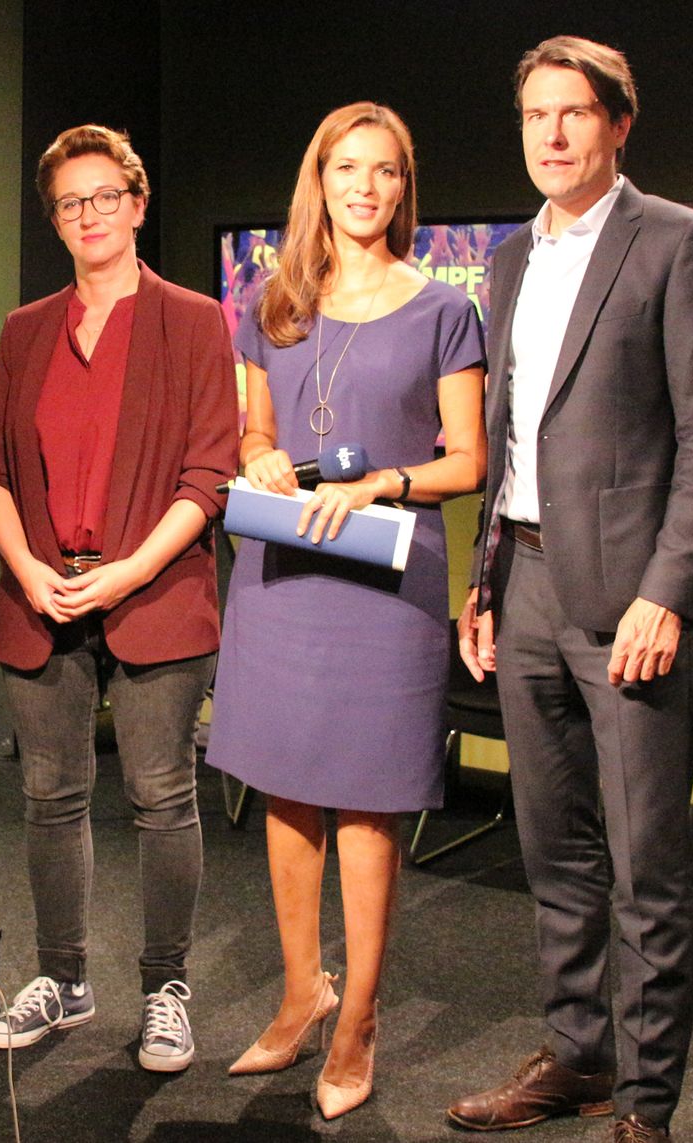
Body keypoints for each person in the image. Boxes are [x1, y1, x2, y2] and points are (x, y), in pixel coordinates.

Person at [445, 37, 693, 1142]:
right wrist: (481, 581)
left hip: (630, 603)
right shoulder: (509, 258)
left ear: (617, 125)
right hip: (520, 581)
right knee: (551, 846)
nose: (552, 134)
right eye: (535, 115)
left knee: (643, 861)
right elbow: (512, 435)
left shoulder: (678, 243)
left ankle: (646, 1100)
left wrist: (667, 592)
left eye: (573, 114)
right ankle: (578, 1055)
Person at [209, 101, 486, 1121]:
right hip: (283, 577)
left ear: (403, 188)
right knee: (284, 793)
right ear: (315, 182)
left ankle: (357, 1018)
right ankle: (298, 994)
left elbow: (469, 459)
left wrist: (381, 487)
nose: (364, 188)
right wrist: (260, 458)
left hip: (384, 582)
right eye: (345, 170)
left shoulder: (443, 309)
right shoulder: (271, 302)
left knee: (366, 807)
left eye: (383, 172)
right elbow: (252, 432)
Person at [0, 124, 238, 1074]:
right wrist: (28, 566)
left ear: (137, 202)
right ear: (56, 218)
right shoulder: (24, 328)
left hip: (156, 588)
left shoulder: (196, 318)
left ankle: (166, 988)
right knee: (51, 796)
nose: (89, 215)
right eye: (70, 202)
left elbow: (210, 477)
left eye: (104, 197)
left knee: (163, 796)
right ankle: (65, 980)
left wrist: (126, 572)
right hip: (41, 590)